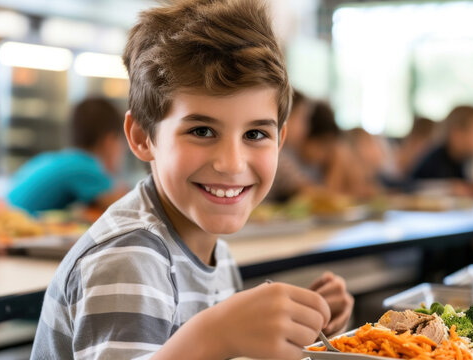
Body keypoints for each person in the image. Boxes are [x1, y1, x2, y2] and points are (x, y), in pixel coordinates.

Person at [31, 1, 354, 359]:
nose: (231, 164)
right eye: (202, 130)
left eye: (255, 135)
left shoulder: (213, 248)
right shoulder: (128, 256)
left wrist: (295, 329)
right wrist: (214, 335)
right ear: (142, 137)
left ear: (280, 140)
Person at [7, 97, 128, 213]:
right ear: (110, 141)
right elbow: (122, 208)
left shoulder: (65, 159)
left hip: (7, 214)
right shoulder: (86, 166)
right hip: (20, 228)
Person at [300, 101, 378, 199]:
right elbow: (329, 197)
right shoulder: (295, 159)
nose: (324, 154)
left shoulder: (322, 162)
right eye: (323, 145)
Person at [410, 105, 473, 183]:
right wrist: (449, 187)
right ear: (457, 134)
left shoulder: (464, 161)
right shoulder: (435, 160)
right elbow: (410, 186)